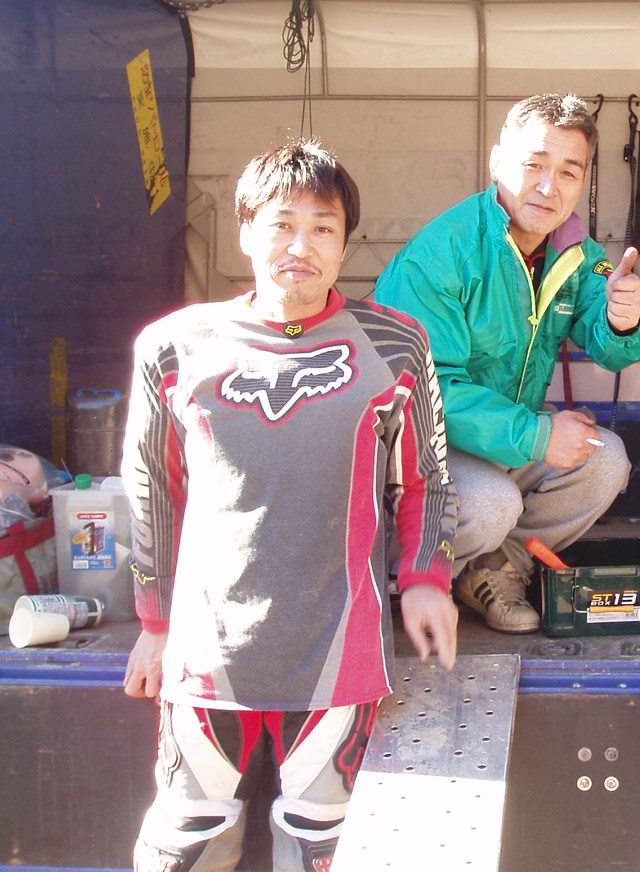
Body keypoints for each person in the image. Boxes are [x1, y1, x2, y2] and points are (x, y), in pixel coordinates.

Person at [121, 139, 459, 872]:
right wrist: (153, 621)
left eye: (322, 227)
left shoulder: (396, 344)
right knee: (185, 840)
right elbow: (151, 485)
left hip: (339, 655)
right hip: (207, 654)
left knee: (319, 844)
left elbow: (426, 479)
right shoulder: (173, 346)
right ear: (245, 230)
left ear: (345, 244)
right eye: (281, 224)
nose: (300, 246)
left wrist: (426, 580)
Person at [375, 93, 640, 633]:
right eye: (534, 165)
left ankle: (493, 571)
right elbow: (427, 392)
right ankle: (397, 572)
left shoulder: (576, 252)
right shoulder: (441, 253)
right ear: (497, 162)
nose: (549, 188)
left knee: (605, 461)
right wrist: (536, 435)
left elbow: (611, 343)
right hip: (416, 450)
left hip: (500, 440)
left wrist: (625, 318)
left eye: (569, 172)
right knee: (491, 503)